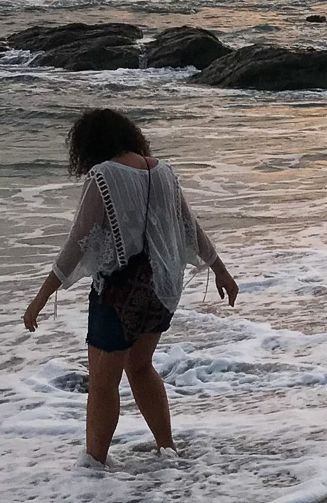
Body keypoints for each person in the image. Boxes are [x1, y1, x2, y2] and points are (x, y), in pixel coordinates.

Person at [21, 108, 238, 465]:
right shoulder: (164, 171)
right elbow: (190, 227)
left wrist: (41, 297)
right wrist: (222, 271)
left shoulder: (103, 176)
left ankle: (94, 464)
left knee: (103, 384)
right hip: (163, 288)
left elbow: (78, 241)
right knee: (140, 365)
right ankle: (167, 448)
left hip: (119, 294)